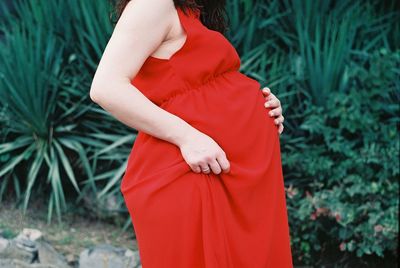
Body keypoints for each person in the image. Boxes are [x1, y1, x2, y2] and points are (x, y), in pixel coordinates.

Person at [90, 0, 293, 267]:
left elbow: (205, 84)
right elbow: (105, 87)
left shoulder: (192, 11)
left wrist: (260, 104)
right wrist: (188, 137)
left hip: (236, 181)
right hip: (194, 174)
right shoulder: (152, 4)